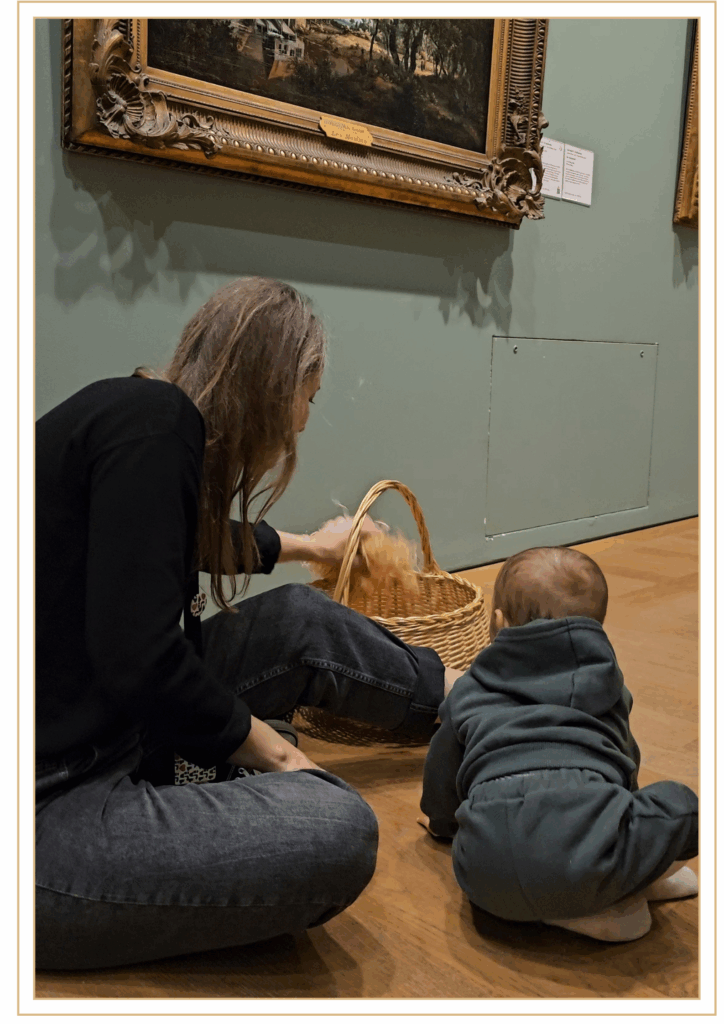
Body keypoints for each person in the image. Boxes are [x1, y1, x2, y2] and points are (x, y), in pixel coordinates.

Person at [36, 277, 453, 970]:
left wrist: (311, 546)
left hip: (104, 720)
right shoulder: (154, 422)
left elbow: (173, 542)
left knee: (295, 616)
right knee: (337, 827)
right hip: (51, 801)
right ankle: (208, 770)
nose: (303, 421)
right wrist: (282, 758)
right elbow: (141, 660)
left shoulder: (142, 416)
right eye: (307, 397)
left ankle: (463, 698)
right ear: (268, 385)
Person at [419, 546, 698, 942]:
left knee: (530, 866)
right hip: (585, 849)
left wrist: (442, 822)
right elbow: (623, 761)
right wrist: (621, 821)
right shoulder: (609, 689)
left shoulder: (469, 690)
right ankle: (611, 891)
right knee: (685, 807)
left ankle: (570, 907)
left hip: (484, 866)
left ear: (498, 622)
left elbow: (443, 762)